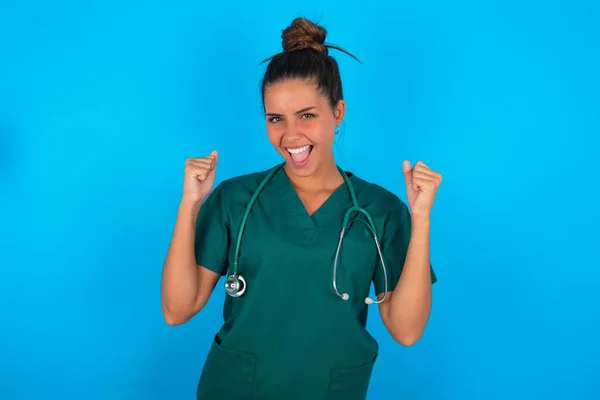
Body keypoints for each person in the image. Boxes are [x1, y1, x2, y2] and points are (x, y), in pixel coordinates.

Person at [161, 16, 442, 400]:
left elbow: (406, 331)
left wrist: (421, 217)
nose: (290, 135)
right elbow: (177, 310)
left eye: (307, 115)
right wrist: (189, 204)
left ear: (338, 113)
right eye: (276, 118)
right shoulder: (235, 199)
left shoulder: (380, 210)